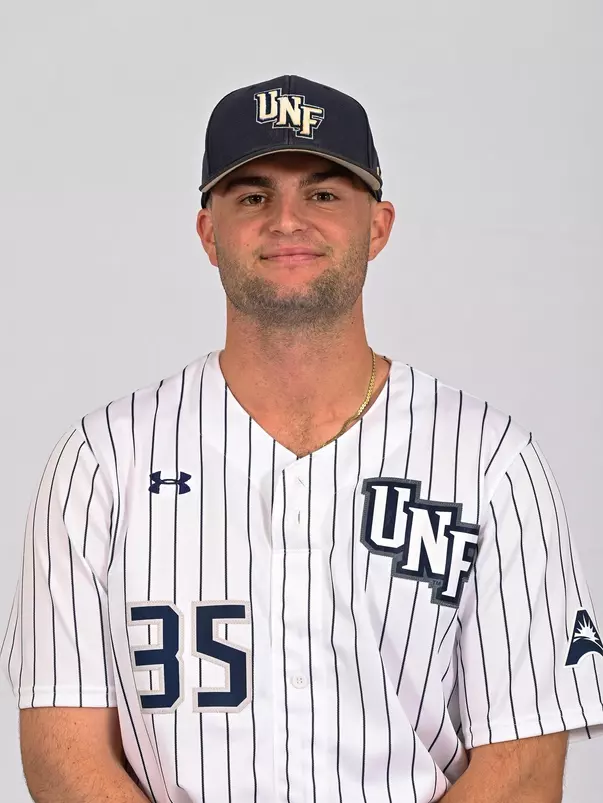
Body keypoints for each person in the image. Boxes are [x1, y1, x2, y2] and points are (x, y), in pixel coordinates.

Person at [1, 73, 602, 803]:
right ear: (208, 234)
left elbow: (524, 768)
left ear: (376, 226)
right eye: (252, 196)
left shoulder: (491, 464)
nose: (287, 220)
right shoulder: (101, 464)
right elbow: (63, 757)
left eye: (322, 194)